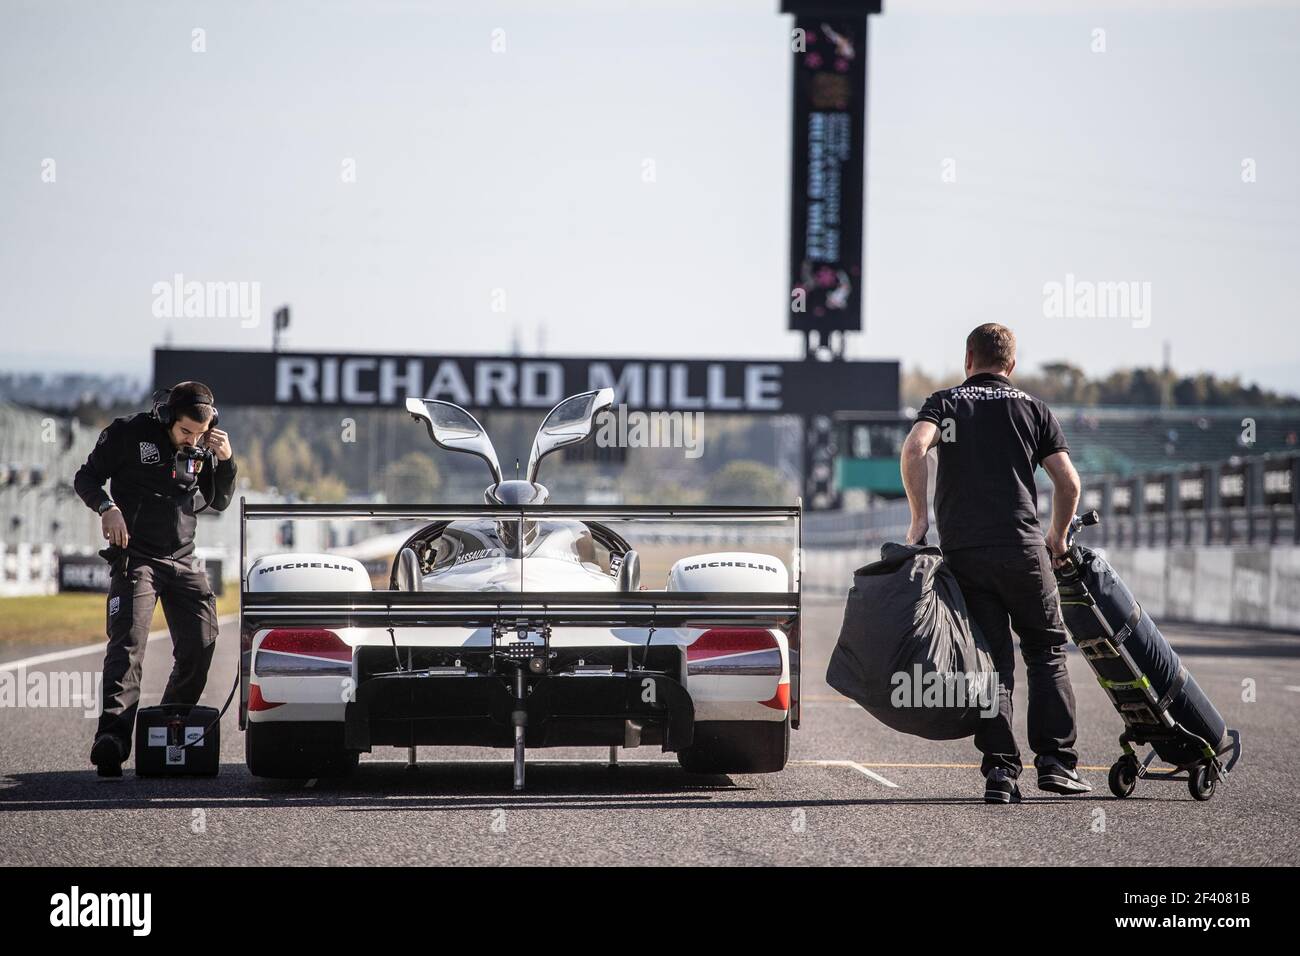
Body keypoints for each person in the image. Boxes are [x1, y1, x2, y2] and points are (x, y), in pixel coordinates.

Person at [899, 324, 1090, 804]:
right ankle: (1055, 764)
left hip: (966, 555)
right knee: (1046, 653)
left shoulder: (945, 404)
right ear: (1012, 364)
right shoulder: (1033, 409)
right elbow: (1068, 484)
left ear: (968, 358)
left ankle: (1001, 774)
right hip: (1024, 551)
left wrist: (919, 520)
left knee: (989, 664)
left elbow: (913, 448)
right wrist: (1058, 536)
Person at [73, 382, 237, 776]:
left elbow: (219, 501)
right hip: (137, 557)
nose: (191, 440)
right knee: (128, 644)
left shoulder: (205, 443)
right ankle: (111, 739)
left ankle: (168, 725)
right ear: (166, 418)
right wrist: (107, 507)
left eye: (199, 434)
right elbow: (86, 478)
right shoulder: (127, 433)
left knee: (201, 645)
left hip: (184, 558)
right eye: (185, 432)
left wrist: (227, 460)